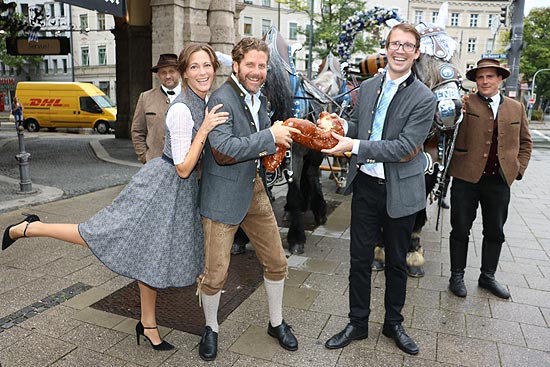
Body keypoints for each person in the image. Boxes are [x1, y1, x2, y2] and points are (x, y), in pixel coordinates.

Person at [2, 43, 228, 351]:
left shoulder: (202, 101)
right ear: (185, 73)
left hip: (177, 195)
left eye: (207, 66)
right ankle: (29, 228)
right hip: (160, 189)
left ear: (215, 68)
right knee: (98, 234)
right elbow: (184, 167)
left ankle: (148, 325)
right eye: (194, 67)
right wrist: (203, 130)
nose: (202, 72)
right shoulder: (181, 110)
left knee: (151, 258)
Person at [322, 23, 437, 355]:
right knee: (359, 259)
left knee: (397, 261)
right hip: (367, 187)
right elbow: (364, 127)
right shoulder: (370, 85)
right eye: (394, 44)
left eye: (407, 46)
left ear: (416, 53)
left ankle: (393, 324)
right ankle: (357, 323)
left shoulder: (423, 97)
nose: (399, 50)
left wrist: (352, 143)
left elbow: (403, 147)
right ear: (385, 48)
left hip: (401, 190)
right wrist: (340, 126)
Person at [196, 37, 301, 361]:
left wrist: (272, 136)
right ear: (237, 65)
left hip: (254, 190)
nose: (257, 72)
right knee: (215, 274)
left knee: (277, 262)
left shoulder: (261, 98)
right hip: (222, 196)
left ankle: (276, 322)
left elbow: (253, 142)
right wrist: (269, 136)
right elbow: (224, 150)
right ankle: (210, 327)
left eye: (262, 66)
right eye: (251, 65)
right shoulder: (221, 98)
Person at [447, 58, 532, 299]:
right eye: (480, 77)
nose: (485, 81)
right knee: (460, 228)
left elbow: (526, 142)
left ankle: (487, 276)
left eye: (490, 77)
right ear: (475, 80)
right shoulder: (464, 104)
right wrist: (454, 111)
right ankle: (457, 276)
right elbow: (447, 130)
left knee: (495, 230)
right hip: (465, 178)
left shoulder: (516, 108)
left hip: (499, 181)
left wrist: (518, 169)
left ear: (500, 79)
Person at [131, 53, 181, 163]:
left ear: (179, 72)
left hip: (186, 165)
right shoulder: (146, 97)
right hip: (155, 163)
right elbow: (137, 131)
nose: (167, 76)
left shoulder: (190, 96)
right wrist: (145, 157)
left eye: (171, 71)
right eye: (163, 72)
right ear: (158, 75)